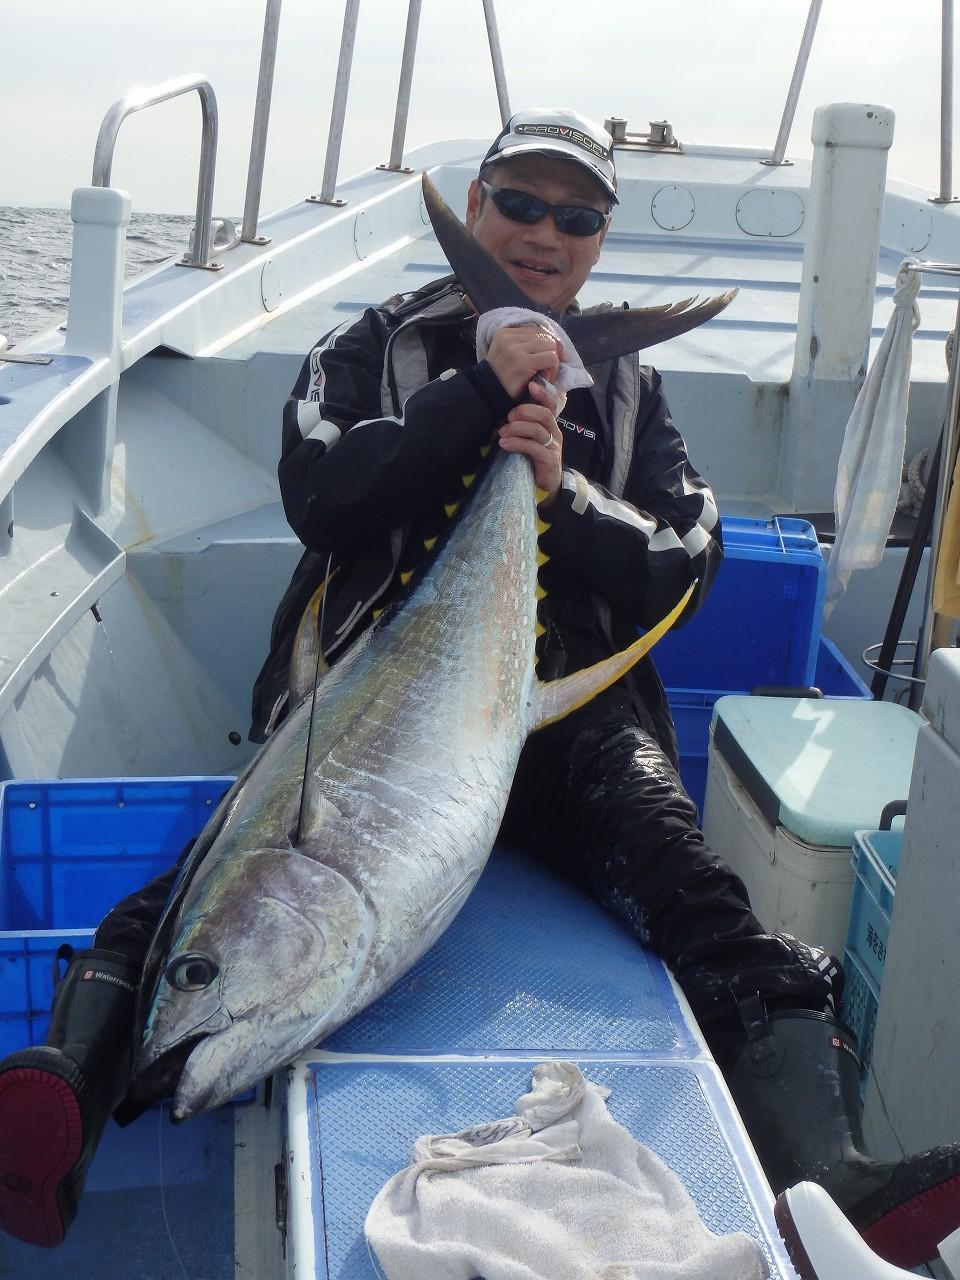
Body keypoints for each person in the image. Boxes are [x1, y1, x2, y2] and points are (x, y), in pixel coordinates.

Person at [0, 108, 956, 1268]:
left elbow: (689, 558)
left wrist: (561, 494)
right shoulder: (374, 343)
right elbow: (321, 491)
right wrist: (472, 395)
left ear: (598, 241)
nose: (546, 233)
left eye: (578, 216)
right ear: (481, 202)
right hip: (365, 694)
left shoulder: (630, 389)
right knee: (189, 895)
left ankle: (832, 1171)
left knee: (700, 898)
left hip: (559, 709)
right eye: (519, 205)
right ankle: (63, 1100)